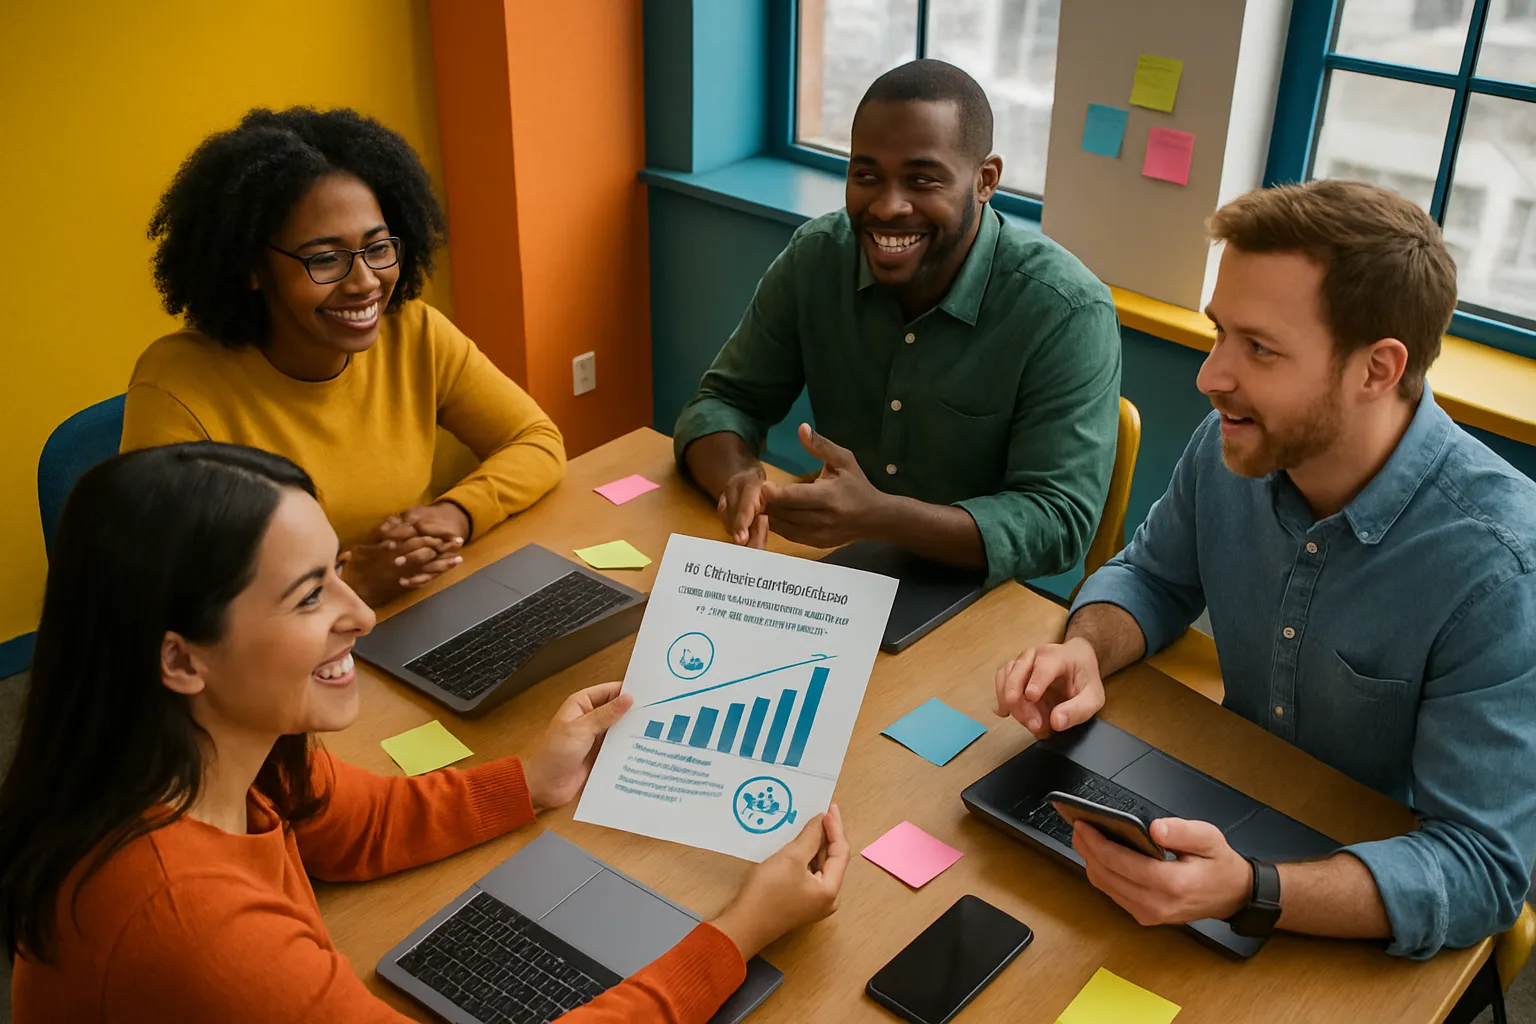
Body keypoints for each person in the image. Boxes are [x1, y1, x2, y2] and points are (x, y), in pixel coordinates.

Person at [1, 443, 849, 1022]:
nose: (360, 613)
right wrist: (737, 934)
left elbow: (353, 825)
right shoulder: (192, 923)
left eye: (337, 569)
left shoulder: (204, 748)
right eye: (308, 598)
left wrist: (533, 779)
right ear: (182, 660)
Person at [993, 180, 1536, 959]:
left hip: (1356, 911)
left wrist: (1252, 891)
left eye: (1260, 348)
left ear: (1378, 369)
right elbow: (1151, 576)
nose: (1210, 377)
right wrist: (1087, 648)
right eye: (1219, 334)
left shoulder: (1503, 569)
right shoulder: (1235, 446)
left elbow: (1479, 870)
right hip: (1221, 820)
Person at [673, 60, 1121, 586]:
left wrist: (882, 516)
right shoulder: (817, 257)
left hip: (978, 599)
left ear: (984, 181)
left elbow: (1058, 523)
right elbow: (723, 402)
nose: (887, 206)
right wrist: (739, 478)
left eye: (922, 179)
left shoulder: (1065, 310)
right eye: (866, 176)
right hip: (838, 574)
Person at [120, 107, 567, 607]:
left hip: (409, 608)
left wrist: (457, 513)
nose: (364, 283)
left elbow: (537, 439)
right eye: (326, 258)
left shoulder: (414, 331)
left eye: (378, 248)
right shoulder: (178, 384)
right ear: (251, 267)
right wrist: (345, 587)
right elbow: (168, 589)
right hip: (276, 654)